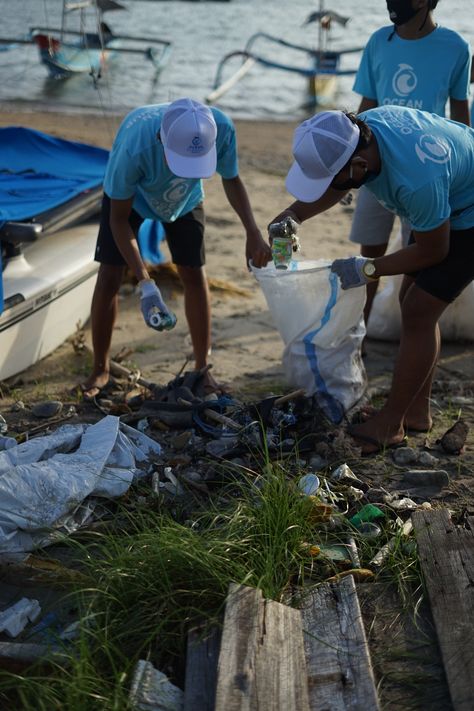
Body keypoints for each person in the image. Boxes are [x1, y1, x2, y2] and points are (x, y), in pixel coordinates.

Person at [270, 106, 474, 453]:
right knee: (411, 297)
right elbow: (339, 181)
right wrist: (293, 214)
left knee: (419, 310)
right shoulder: (357, 132)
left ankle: (390, 425)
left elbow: (433, 252)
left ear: (360, 167)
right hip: (447, 197)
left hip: (466, 211)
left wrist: (367, 268)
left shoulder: (416, 179)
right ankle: (415, 414)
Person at [81, 98, 271, 399]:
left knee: (194, 275)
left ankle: (202, 368)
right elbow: (119, 220)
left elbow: (231, 179)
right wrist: (145, 282)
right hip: (134, 200)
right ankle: (100, 368)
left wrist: (252, 231)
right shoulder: (135, 146)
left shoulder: (219, 128)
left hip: (185, 200)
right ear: (161, 139)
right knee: (109, 276)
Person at [349, 0, 471, 326]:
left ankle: (412, 332)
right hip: (374, 162)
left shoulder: (455, 47)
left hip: (425, 170)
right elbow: (366, 104)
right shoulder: (378, 41)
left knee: (415, 253)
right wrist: (350, 160)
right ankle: (360, 328)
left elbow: (460, 111)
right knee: (370, 246)